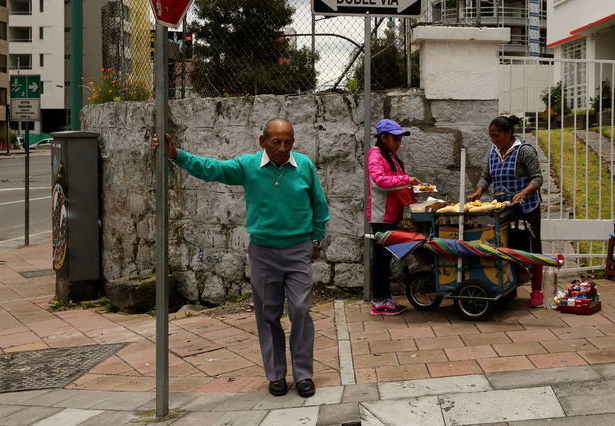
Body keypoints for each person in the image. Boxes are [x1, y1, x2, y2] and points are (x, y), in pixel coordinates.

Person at [152, 118, 329, 398]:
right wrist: (176, 156)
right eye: (277, 142)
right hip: (263, 253)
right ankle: (276, 376)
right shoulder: (248, 166)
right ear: (263, 142)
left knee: (300, 310)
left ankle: (304, 375)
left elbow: (319, 206)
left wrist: (316, 239)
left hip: (298, 252)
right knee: (268, 314)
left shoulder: (304, 165)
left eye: (289, 142)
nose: (283, 148)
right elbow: (212, 169)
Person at [467, 115, 545, 308]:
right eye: (491, 136)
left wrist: (524, 193)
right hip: (504, 210)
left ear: (509, 133)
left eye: (497, 136)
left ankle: (537, 290)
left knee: (534, 248)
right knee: (506, 247)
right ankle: (510, 288)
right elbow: (486, 176)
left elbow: (537, 178)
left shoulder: (524, 151)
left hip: (528, 208)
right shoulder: (493, 152)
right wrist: (478, 191)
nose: (494, 140)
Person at [367, 119, 422, 315]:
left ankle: (384, 298)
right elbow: (379, 180)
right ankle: (379, 301)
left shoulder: (391, 156)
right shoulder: (375, 155)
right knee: (380, 259)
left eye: (400, 139)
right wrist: (407, 179)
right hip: (381, 215)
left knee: (385, 259)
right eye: (395, 139)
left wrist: (413, 189)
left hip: (392, 214)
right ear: (383, 138)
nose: (399, 143)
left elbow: (397, 184)